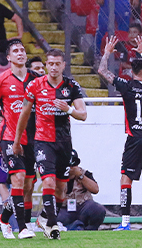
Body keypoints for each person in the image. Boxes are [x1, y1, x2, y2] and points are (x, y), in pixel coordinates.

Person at [13, 49, 88, 240]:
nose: (53, 67)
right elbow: (24, 114)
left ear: (63, 65)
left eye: (57, 64)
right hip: (43, 142)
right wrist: (17, 140)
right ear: (46, 65)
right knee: (48, 181)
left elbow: (83, 115)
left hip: (64, 143)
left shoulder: (71, 86)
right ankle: (52, 225)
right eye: (51, 64)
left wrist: (69, 109)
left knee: (61, 188)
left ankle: (44, 218)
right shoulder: (35, 85)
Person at [98, 35, 142, 231]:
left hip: (135, 138)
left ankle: (125, 222)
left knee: (126, 179)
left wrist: (107, 53)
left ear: (134, 72)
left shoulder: (126, 86)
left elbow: (102, 71)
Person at [0, 39, 40, 240]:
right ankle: (23, 227)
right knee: (18, 178)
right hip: (10, 137)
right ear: (8, 57)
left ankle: (3, 218)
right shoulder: (0, 80)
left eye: (22, 50)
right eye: (16, 51)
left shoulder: (37, 79)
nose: (20, 53)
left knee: (28, 186)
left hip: (34, 138)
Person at [58, 149, 105, 230]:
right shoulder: (57, 174)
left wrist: (81, 176)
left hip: (82, 207)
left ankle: (89, 230)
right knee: (54, 215)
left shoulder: (84, 173)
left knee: (98, 209)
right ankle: (73, 228)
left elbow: (95, 190)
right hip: (64, 209)